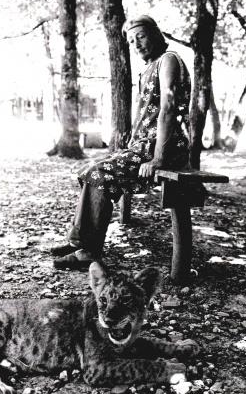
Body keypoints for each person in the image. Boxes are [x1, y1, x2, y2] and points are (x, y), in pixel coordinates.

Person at [51, 15, 191, 269]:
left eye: (142, 36)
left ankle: (88, 252)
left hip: (166, 147)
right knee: (89, 169)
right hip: (144, 146)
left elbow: (168, 109)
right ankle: (79, 241)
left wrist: (158, 158)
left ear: (157, 34)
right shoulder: (148, 67)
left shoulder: (168, 60)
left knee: (99, 173)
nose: (136, 44)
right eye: (131, 40)